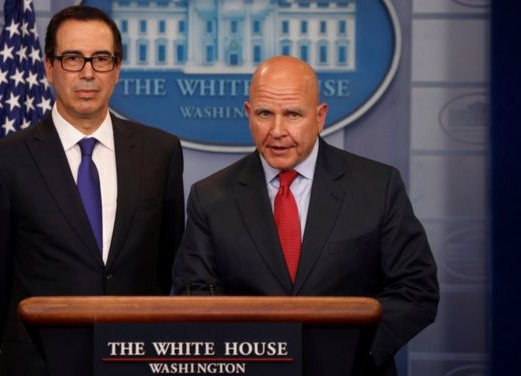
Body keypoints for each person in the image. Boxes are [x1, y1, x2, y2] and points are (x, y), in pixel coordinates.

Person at [172, 56, 438, 376]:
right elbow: (196, 295)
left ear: (320, 116)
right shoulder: (210, 196)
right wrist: (250, 358)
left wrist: (354, 354)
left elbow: (416, 289)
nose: (278, 130)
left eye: (293, 114)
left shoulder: (377, 186)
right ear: (248, 115)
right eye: (265, 114)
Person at [0, 5, 184, 375]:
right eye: (73, 58)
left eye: (101, 59)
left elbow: (168, 265)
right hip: (39, 364)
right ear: (49, 68)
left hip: (133, 360)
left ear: (117, 69)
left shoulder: (160, 152)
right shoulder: (4, 162)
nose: (88, 73)